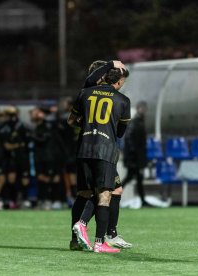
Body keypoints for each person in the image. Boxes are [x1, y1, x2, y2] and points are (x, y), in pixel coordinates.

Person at [69, 60, 132, 251]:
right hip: (105, 151)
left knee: (95, 192)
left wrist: (88, 124)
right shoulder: (121, 99)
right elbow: (120, 132)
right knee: (103, 193)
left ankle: (95, 236)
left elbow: (71, 121)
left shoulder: (84, 94)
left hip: (84, 148)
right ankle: (97, 237)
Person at [122, 101, 149, 206]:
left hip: (136, 157)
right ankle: (113, 196)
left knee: (136, 178)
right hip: (134, 157)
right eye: (142, 108)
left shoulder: (139, 122)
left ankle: (143, 200)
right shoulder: (135, 122)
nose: (144, 110)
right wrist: (133, 153)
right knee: (132, 178)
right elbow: (129, 139)